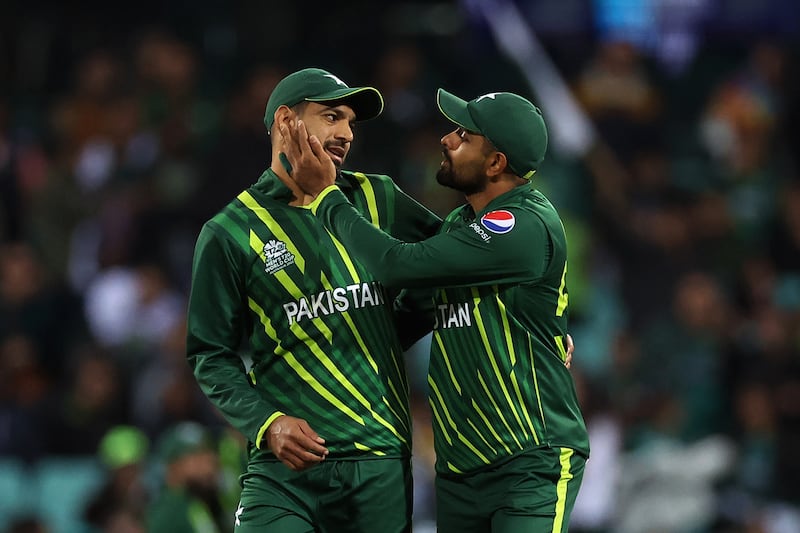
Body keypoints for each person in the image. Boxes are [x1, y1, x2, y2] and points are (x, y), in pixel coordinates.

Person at [281, 88, 590, 533]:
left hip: (529, 459)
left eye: (463, 135)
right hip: (460, 469)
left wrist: (327, 197)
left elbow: (396, 265)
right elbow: (403, 321)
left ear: (496, 163)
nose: (446, 139)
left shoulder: (522, 224)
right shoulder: (462, 225)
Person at [185, 68, 443, 533]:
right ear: (286, 120)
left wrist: (541, 316)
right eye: (331, 116)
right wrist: (267, 423)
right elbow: (209, 354)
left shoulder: (376, 196)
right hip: (283, 471)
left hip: (377, 459)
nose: (345, 134)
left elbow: (453, 262)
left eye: (350, 123)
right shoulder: (227, 233)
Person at [147, 421, 226, 532]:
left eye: (208, 452)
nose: (210, 462)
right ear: (173, 467)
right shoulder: (168, 514)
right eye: (197, 456)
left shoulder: (202, 503)